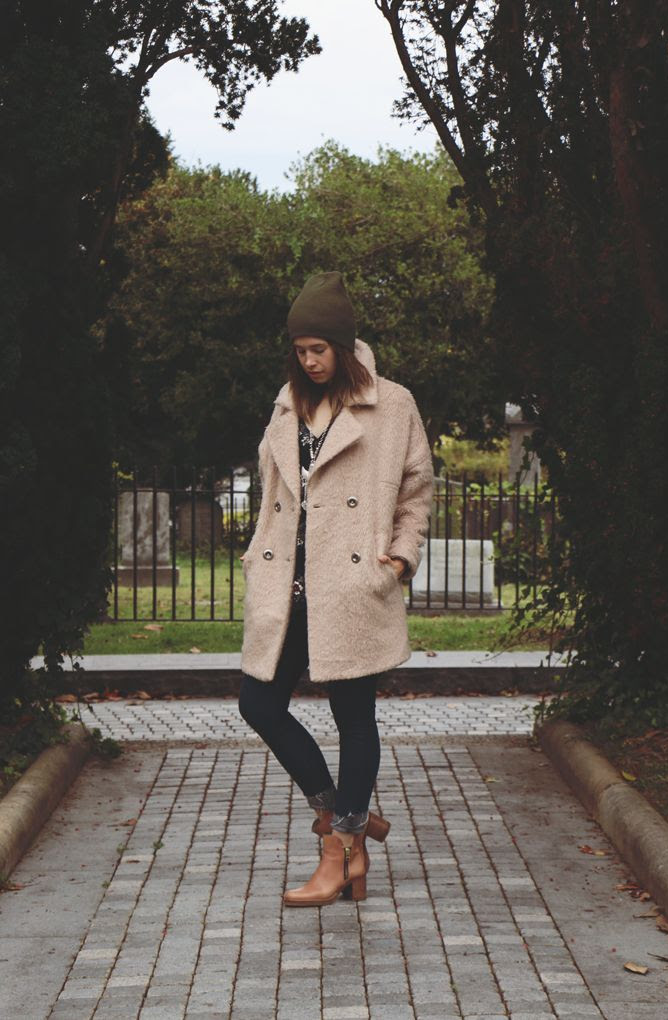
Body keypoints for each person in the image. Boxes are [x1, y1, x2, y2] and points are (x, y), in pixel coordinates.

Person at [238, 271, 434, 907]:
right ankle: (344, 816)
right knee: (258, 704)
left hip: (349, 585)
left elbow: (416, 492)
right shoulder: (288, 404)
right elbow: (272, 492)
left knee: (354, 717)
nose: (308, 361)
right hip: (287, 585)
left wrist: (399, 560)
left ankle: (342, 849)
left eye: (318, 349)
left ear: (344, 347)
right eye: (299, 350)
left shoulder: (392, 405)